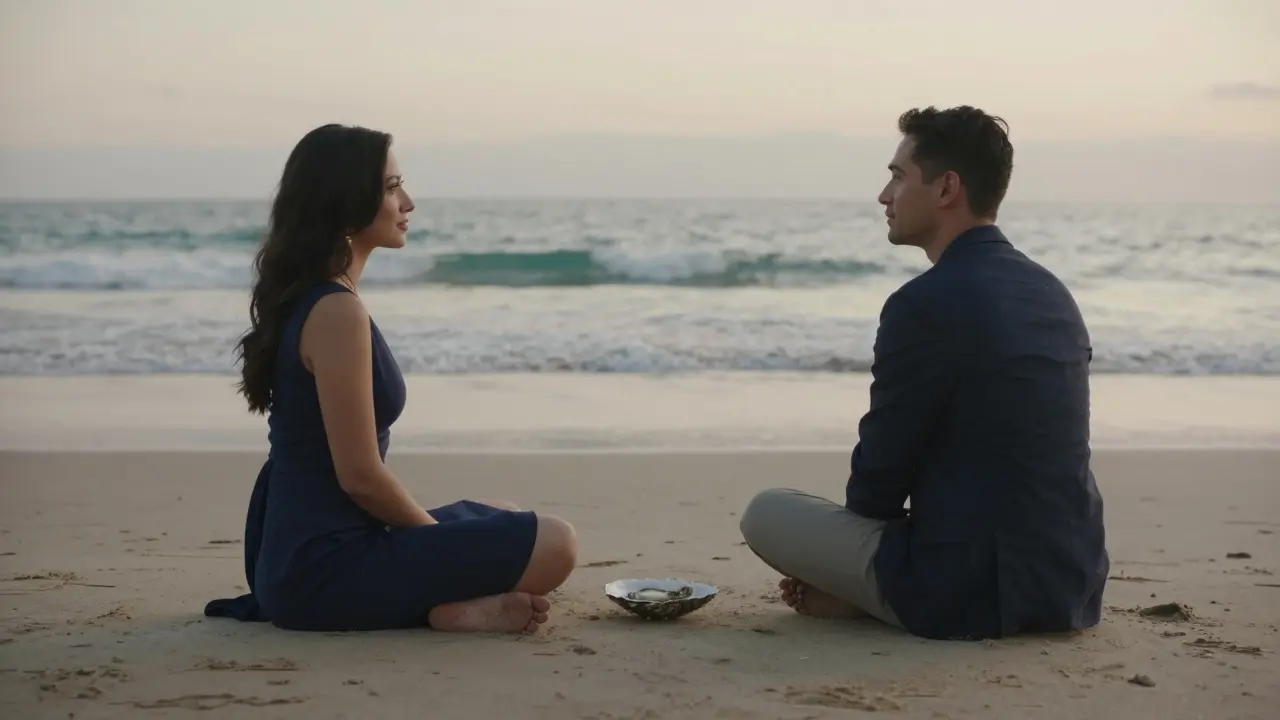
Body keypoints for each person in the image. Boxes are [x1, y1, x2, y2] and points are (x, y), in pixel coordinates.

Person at [738, 106, 1109, 641]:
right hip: (1070, 582)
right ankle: (877, 590)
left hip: (969, 592)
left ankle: (878, 597)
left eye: (898, 176)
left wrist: (851, 556)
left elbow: (877, 486)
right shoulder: (1052, 292)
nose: (884, 195)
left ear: (946, 188)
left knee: (766, 512)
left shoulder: (924, 304)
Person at [204, 124, 578, 633]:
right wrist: (440, 551)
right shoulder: (336, 311)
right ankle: (456, 606)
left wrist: (441, 546)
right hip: (322, 570)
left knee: (503, 510)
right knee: (557, 542)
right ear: (346, 202)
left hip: (308, 552)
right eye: (390, 186)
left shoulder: (320, 297)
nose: (408, 201)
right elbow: (359, 476)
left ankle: (453, 608)